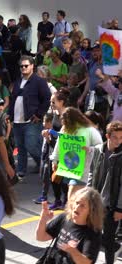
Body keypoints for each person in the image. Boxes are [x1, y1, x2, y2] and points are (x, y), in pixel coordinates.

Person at [9, 55, 51, 181]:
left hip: (31, 120)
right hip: (17, 120)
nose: (23, 68)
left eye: (26, 65)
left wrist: (39, 114)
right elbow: (13, 99)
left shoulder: (39, 81)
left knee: (31, 145)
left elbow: (47, 98)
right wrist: (9, 114)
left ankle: (45, 165)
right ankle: (21, 171)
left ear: (32, 66)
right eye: (21, 66)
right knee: (20, 146)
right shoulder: (18, 81)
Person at [36, 187, 103, 264]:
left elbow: (87, 262)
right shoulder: (65, 217)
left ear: (91, 210)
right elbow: (40, 237)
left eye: (82, 206)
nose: (77, 208)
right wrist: (43, 220)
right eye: (77, 203)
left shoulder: (93, 233)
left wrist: (73, 251)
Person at [87, 121, 122, 264]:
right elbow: (91, 172)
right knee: (92, 236)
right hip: (96, 200)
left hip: (112, 204)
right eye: (115, 137)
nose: (119, 141)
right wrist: (87, 195)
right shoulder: (97, 150)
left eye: (121, 138)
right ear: (107, 136)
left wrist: (120, 208)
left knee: (108, 240)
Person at [50, 107, 103, 199]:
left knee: (72, 197)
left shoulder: (89, 131)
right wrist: (54, 160)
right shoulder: (65, 129)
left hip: (83, 171)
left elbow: (101, 147)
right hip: (68, 169)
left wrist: (90, 149)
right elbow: (59, 145)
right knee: (74, 197)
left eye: (66, 123)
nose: (64, 125)